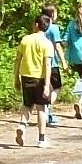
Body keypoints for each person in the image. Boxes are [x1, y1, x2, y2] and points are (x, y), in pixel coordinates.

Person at [13, 10, 58, 148]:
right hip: (40, 78)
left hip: (26, 76)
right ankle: (41, 138)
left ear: (36, 25)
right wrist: (46, 85)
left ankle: (22, 125)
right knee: (41, 108)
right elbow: (47, 65)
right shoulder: (47, 43)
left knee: (27, 105)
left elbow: (18, 60)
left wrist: (16, 77)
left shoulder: (25, 39)